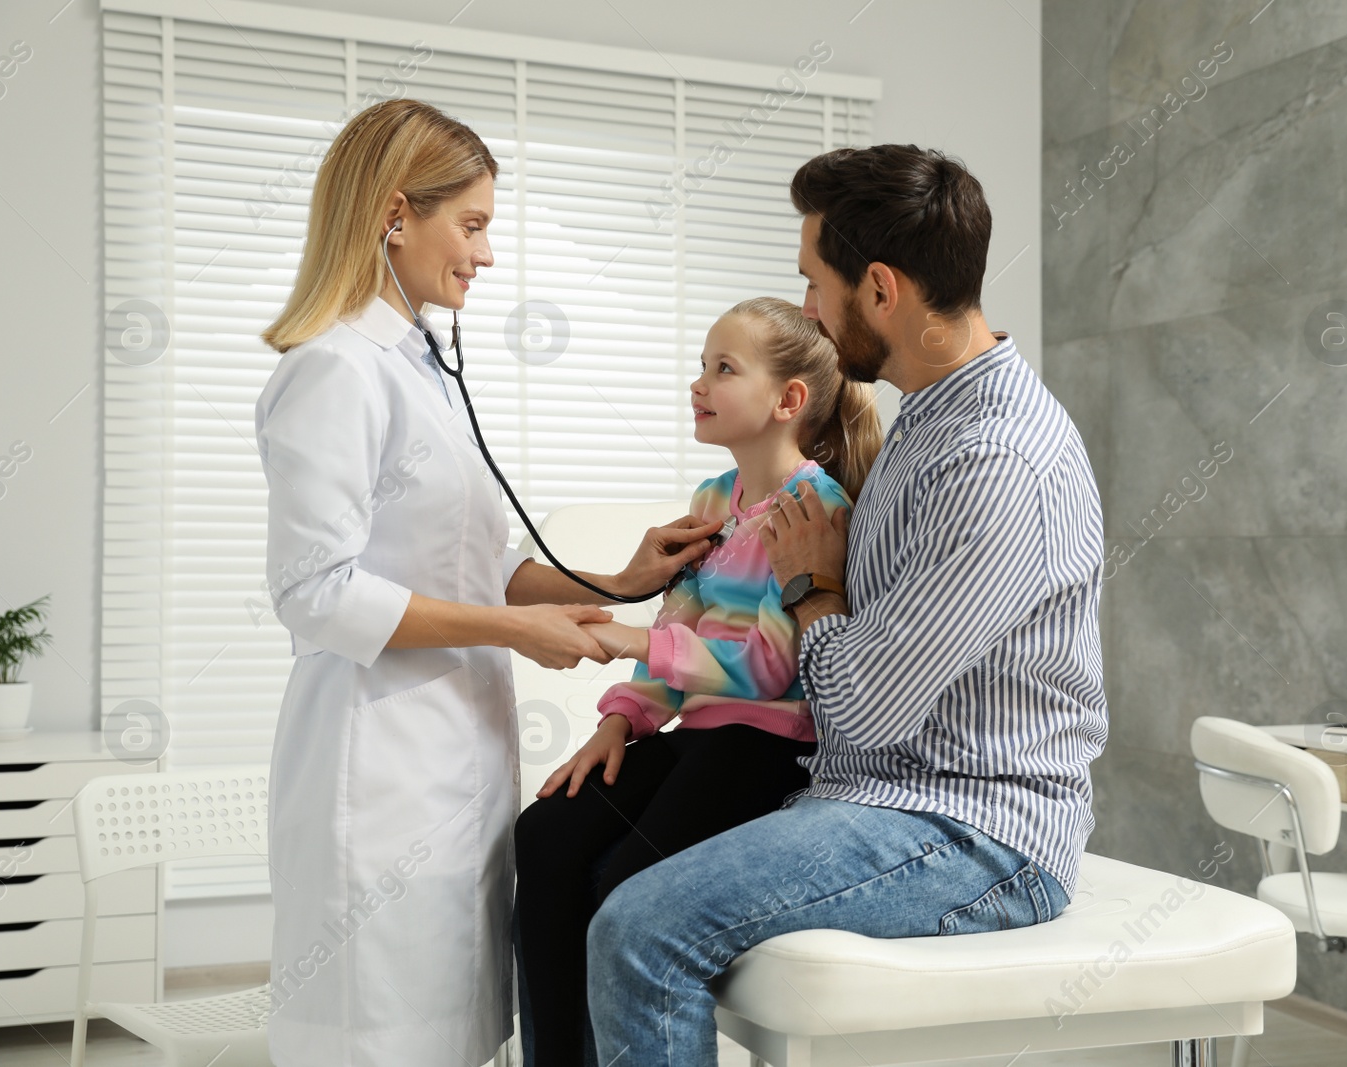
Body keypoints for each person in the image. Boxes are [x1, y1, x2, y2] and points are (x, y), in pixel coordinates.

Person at [585, 144, 1110, 1064]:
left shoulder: (994, 461)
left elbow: (862, 711)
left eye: (814, 285)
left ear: (879, 288)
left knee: (641, 928)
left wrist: (813, 585)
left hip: (971, 827)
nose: (809, 312)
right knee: (575, 850)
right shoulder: (930, 413)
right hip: (883, 791)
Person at [253, 98, 721, 1067]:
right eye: (470, 225)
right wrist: (515, 634)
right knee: (383, 1039)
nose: (486, 254)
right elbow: (315, 591)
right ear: (394, 214)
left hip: (454, 755)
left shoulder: (419, 366)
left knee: (457, 1033)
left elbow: (477, 560)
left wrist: (619, 578)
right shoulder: (336, 370)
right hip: (373, 764)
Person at [512, 296, 881, 1065]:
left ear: (788, 401)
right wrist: (619, 720)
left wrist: (631, 636)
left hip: (767, 750)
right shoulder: (714, 500)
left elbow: (774, 664)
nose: (698, 383)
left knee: (622, 882)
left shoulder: (816, 507)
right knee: (545, 833)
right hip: (697, 739)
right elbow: (679, 624)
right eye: (701, 366)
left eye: (723, 368)